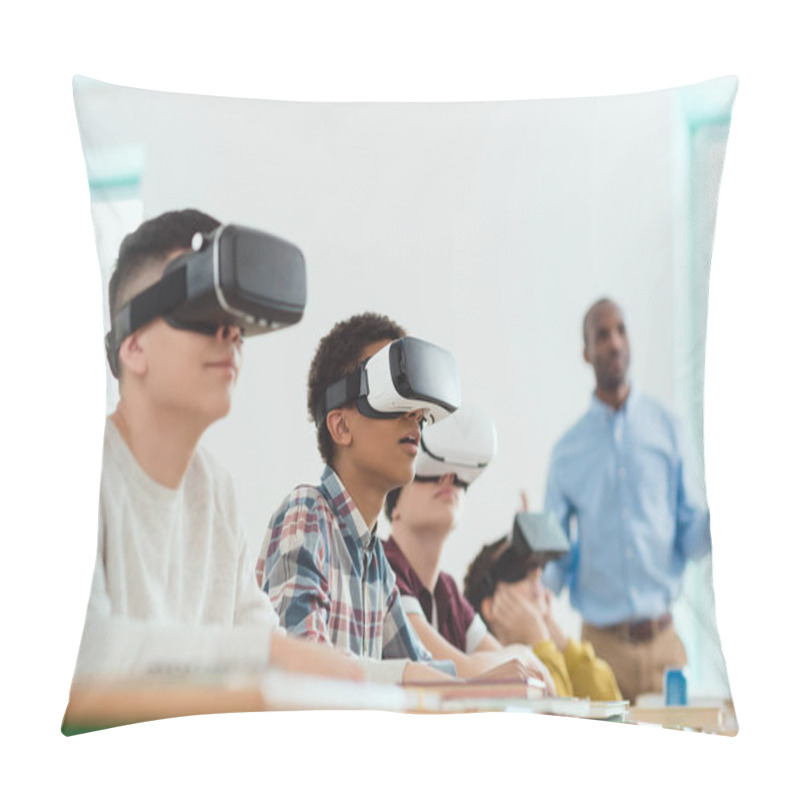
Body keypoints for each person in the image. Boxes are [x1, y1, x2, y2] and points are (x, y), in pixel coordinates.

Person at [72, 209, 362, 686]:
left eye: (235, 319)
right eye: (204, 311)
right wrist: (267, 655)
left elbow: (275, 648)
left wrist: (418, 676)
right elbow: (80, 651)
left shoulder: (215, 494)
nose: (230, 333)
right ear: (134, 346)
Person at [257, 313, 540, 686]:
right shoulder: (307, 516)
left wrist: (485, 683)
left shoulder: (377, 566)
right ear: (341, 426)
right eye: (391, 396)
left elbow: (422, 666)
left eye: (418, 407)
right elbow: (305, 665)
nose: (415, 416)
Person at [542, 297, 711, 700]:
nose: (614, 342)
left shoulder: (668, 429)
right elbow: (557, 558)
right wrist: (527, 569)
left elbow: (690, 537)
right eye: (602, 335)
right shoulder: (567, 452)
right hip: (601, 650)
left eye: (621, 330)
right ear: (587, 352)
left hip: (665, 646)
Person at [382, 409, 555, 689]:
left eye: (460, 477)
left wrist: (519, 660)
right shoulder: (384, 568)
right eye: (430, 473)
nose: (448, 478)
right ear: (395, 507)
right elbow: (462, 672)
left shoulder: (447, 592)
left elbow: (521, 675)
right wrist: (524, 653)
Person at [463, 535, 622, 701]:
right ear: (491, 607)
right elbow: (559, 716)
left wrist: (561, 643)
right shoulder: (495, 672)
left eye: (539, 570)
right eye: (521, 571)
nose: (537, 578)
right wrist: (539, 640)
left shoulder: (551, 654)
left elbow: (610, 699)